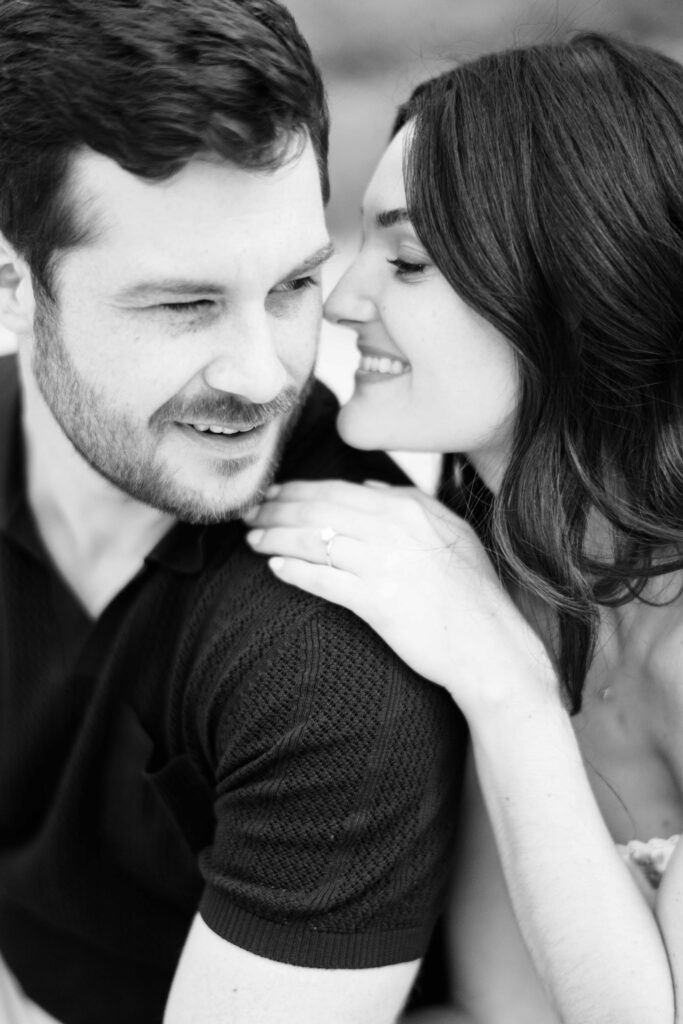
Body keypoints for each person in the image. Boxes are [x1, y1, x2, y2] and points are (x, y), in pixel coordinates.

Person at [0, 1, 468, 1021]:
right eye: (182, 305)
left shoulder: (338, 663)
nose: (264, 377)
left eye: (296, 282)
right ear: (12, 286)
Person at [244, 32, 683, 1024]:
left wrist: (506, 688)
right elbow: (497, 1004)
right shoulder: (507, 574)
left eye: (404, 259)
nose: (343, 298)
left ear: (575, 291)